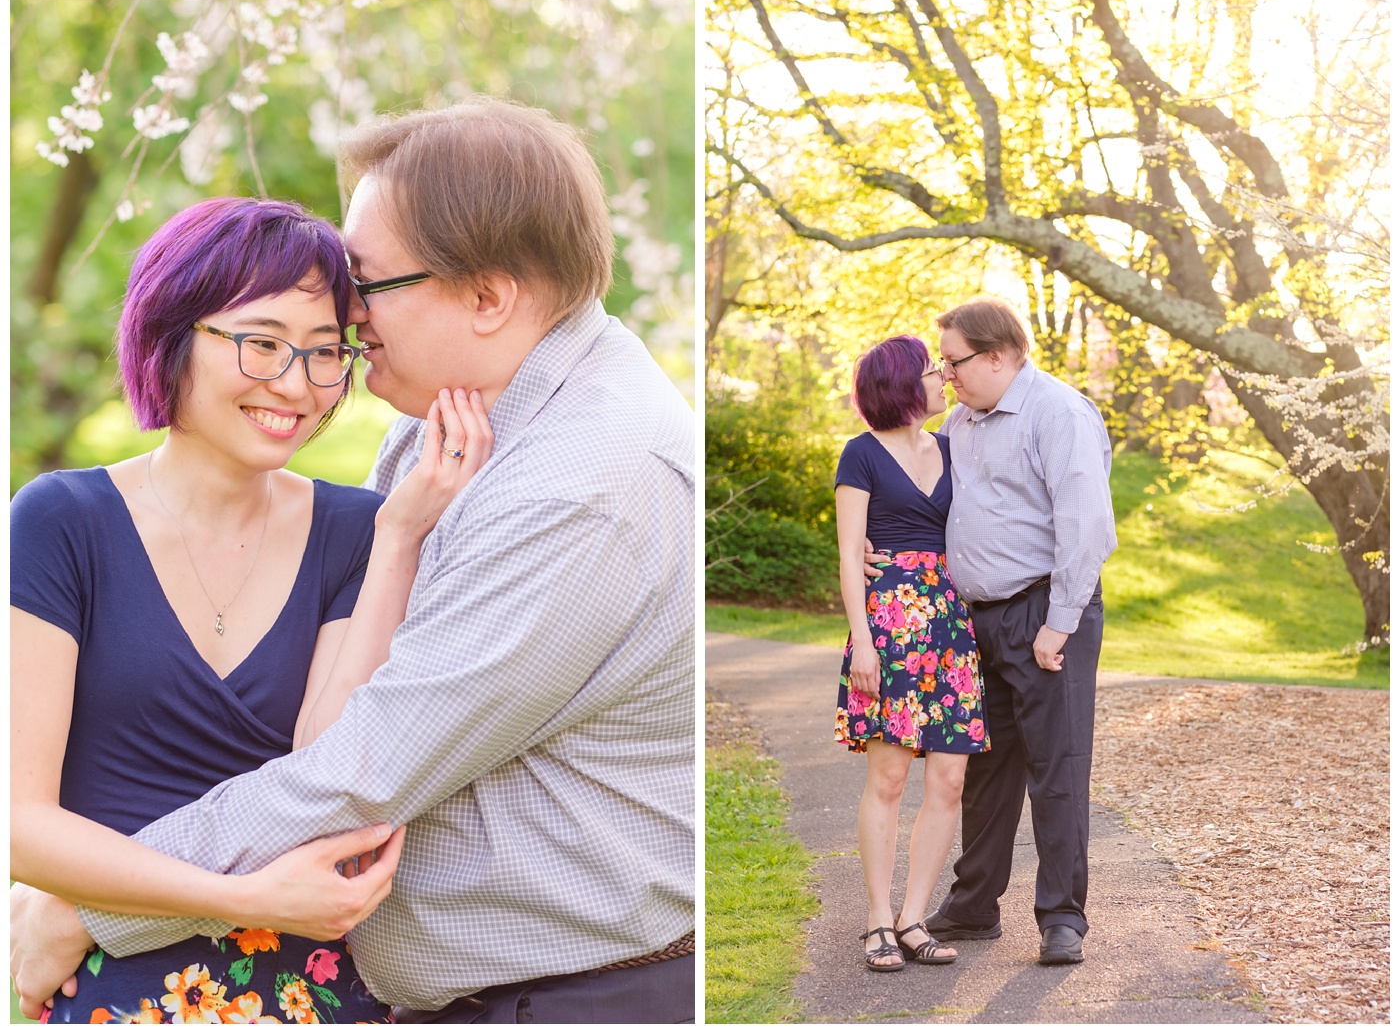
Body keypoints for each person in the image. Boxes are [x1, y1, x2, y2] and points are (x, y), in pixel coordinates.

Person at [11, 97, 696, 1024]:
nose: (349, 318)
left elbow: (362, 768)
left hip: (577, 995)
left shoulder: (584, 484)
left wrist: (95, 908)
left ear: (488, 296)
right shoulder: (443, 431)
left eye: (365, 290)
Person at [10, 196, 492, 1023]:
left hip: (317, 987)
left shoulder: (357, 531)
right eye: (262, 344)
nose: (296, 387)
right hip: (118, 990)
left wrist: (402, 535)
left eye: (322, 353)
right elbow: (20, 822)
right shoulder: (62, 522)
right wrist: (237, 896)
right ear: (171, 332)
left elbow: (330, 763)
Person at [914, 296, 1116, 966]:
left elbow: (1085, 525)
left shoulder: (1057, 413)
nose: (947, 376)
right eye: (944, 365)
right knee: (986, 770)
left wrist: (1058, 625)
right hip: (981, 619)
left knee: (1056, 767)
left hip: (1045, 614)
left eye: (955, 362)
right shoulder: (961, 423)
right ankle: (974, 907)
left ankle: (1063, 918)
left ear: (998, 354)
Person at [834, 335, 989, 973]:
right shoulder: (861, 455)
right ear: (902, 383)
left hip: (949, 626)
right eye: (933, 371)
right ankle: (876, 917)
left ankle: (913, 917)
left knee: (948, 779)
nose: (943, 380)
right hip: (889, 628)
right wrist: (864, 644)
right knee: (891, 778)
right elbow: (849, 554)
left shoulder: (953, 448)